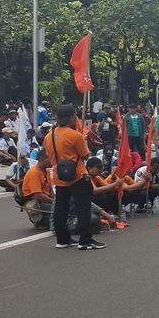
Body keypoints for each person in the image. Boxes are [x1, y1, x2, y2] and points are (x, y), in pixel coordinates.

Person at [44, 104, 103, 250]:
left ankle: (62, 239)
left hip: (59, 176)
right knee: (83, 208)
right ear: (71, 117)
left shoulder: (48, 136)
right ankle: (85, 240)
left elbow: (48, 154)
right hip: (77, 176)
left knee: (60, 208)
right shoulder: (75, 135)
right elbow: (85, 155)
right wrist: (82, 140)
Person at [20, 149, 55, 229]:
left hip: (46, 199)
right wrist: (54, 202)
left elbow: (50, 189)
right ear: (42, 159)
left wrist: (56, 199)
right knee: (61, 213)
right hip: (37, 202)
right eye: (50, 160)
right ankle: (41, 221)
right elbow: (38, 195)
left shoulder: (47, 171)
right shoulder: (34, 173)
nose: (52, 162)